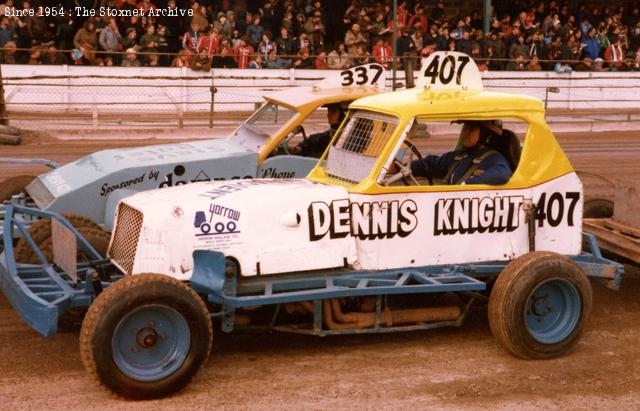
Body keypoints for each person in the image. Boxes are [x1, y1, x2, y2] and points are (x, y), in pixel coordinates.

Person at [409, 121, 512, 185]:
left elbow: (501, 174)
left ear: (485, 134)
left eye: (471, 129)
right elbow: (432, 164)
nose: (465, 132)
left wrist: (467, 185)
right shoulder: (459, 155)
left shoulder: (493, 158)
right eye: (466, 128)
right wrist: (406, 167)